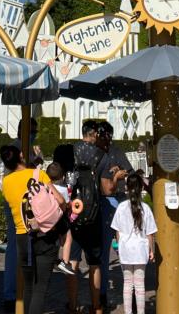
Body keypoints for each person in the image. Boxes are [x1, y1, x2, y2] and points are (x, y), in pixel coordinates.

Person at [0, 145, 65, 314]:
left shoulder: (5, 183)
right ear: (21, 156)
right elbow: (59, 200)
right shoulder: (39, 174)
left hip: (22, 238)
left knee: (28, 287)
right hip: (45, 235)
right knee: (40, 288)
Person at [96, 120, 133, 311]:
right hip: (103, 202)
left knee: (125, 247)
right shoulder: (94, 153)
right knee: (103, 252)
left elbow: (130, 170)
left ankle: (132, 290)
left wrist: (121, 172)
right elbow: (103, 186)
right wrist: (114, 176)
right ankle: (102, 293)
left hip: (118, 200)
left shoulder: (116, 151)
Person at [3, 119, 39, 311]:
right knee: (16, 249)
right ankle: (12, 293)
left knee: (22, 248)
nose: (34, 135)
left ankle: (18, 290)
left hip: (24, 203)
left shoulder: (28, 148)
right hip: (17, 204)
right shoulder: (17, 148)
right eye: (32, 132)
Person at [71, 120, 105, 314]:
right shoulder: (100, 154)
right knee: (94, 263)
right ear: (92, 133)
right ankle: (96, 306)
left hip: (76, 212)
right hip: (94, 213)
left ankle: (73, 305)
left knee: (73, 261)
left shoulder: (72, 151)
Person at [111, 174, 157, 314]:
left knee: (127, 285)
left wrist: (119, 247)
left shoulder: (121, 207)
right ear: (142, 187)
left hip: (125, 250)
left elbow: (117, 232)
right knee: (140, 285)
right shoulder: (146, 208)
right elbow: (150, 234)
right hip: (140, 250)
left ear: (126, 187)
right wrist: (151, 250)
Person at [46, 161, 78, 277]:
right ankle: (64, 261)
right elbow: (65, 205)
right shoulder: (63, 189)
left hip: (48, 218)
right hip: (59, 218)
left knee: (55, 240)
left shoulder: (46, 187)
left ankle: (54, 259)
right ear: (63, 177)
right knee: (68, 237)